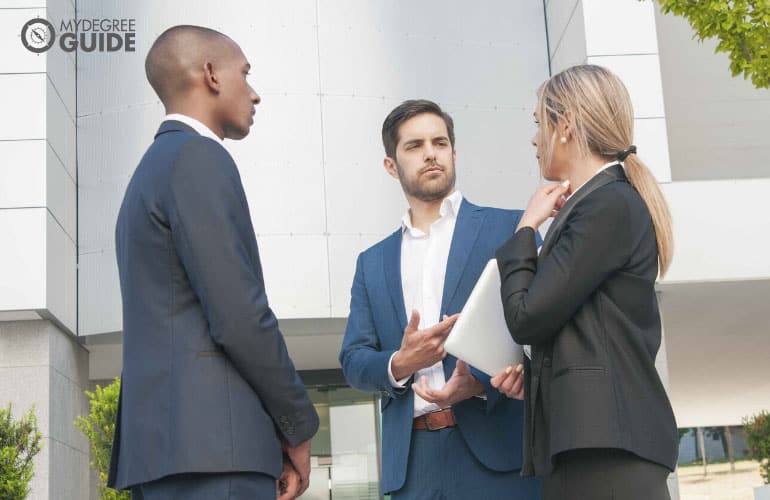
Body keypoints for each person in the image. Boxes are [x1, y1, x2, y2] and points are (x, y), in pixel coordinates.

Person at [107, 25, 319, 499]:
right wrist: (298, 424)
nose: (256, 93)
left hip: (168, 453)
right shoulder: (198, 158)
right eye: (245, 73)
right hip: (214, 454)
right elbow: (239, 315)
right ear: (211, 74)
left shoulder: (148, 175)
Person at [491, 64, 678, 500]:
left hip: (606, 451)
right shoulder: (600, 204)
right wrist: (533, 375)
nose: (535, 139)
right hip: (594, 447)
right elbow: (584, 328)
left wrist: (524, 229)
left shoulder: (606, 204)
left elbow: (526, 317)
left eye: (540, 124)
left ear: (566, 128)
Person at [339, 99, 542, 499]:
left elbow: (545, 331)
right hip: (413, 467)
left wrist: (481, 383)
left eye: (440, 142)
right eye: (414, 146)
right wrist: (402, 362)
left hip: (500, 456)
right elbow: (353, 360)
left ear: (453, 152)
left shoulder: (512, 229)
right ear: (391, 166)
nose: (430, 152)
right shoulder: (372, 263)